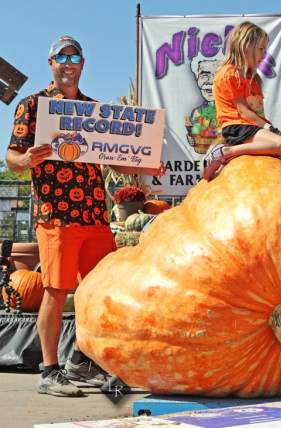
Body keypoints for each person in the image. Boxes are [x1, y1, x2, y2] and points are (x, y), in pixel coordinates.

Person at [5, 35, 163, 397]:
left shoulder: (93, 111)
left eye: (75, 56)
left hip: (94, 214)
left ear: (82, 64)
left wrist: (147, 165)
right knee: (56, 291)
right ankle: (49, 370)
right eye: (61, 56)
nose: (68, 62)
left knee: (99, 292)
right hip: (56, 215)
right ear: (51, 64)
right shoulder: (33, 106)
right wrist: (28, 159)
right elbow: (12, 158)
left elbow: (112, 156)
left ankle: (80, 358)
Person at [204, 21, 281, 180]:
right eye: (261, 49)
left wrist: (277, 132)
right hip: (237, 127)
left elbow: (258, 113)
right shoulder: (229, 73)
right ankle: (226, 151)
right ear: (245, 46)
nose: (264, 54)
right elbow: (243, 111)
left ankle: (251, 148)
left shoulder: (254, 80)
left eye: (265, 50)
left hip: (254, 127)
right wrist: (273, 131)